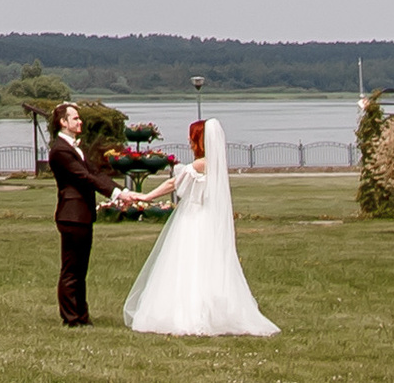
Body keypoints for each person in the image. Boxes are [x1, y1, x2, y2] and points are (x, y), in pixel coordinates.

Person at [114, 117, 279, 337]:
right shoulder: (216, 165)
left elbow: (174, 183)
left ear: (199, 140)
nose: (190, 144)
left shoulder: (200, 165)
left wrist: (146, 196)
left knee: (187, 261)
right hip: (206, 217)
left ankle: (188, 313)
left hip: (193, 217)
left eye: (192, 139)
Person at [48, 102, 116, 327]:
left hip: (82, 215)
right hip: (71, 214)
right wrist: (114, 192)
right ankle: (71, 318)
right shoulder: (60, 151)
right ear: (63, 122)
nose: (80, 122)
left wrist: (120, 191)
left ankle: (81, 314)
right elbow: (83, 177)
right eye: (75, 118)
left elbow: (95, 173)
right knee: (71, 269)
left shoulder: (77, 148)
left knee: (81, 269)